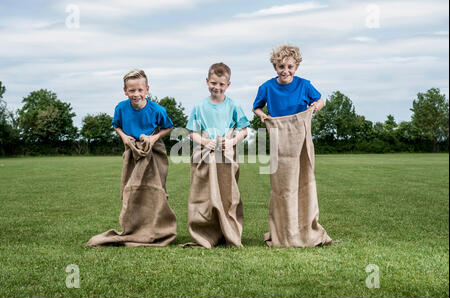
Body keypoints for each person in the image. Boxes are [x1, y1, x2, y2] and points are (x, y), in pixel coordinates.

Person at [253, 44, 333, 248]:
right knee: (282, 187)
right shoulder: (267, 87)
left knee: (304, 183)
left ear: (296, 66)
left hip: (301, 141)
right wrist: (264, 117)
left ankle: (306, 230)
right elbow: (256, 107)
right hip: (280, 141)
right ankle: (284, 231)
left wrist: (315, 107)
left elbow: (320, 99)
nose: (285, 71)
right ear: (275, 68)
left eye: (289, 66)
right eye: (281, 66)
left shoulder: (305, 85)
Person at [86, 69, 177, 247]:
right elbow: (116, 125)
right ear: (125, 91)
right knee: (130, 190)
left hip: (153, 151)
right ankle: (134, 228)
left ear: (147, 89)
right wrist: (123, 137)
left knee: (156, 190)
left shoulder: (157, 110)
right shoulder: (121, 108)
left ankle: (157, 229)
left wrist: (154, 138)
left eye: (140, 90)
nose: (136, 94)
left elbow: (168, 127)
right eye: (132, 90)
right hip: (132, 151)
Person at [182, 62, 250, 248]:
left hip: (226, 157)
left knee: (228, 196)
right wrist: (205, 142)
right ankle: (206, 234)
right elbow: (192, 132)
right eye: (213, 83)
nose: (217, 87)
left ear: (228, 85)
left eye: (221, 84)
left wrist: (231, 142)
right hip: (204, 156)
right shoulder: (199, 107)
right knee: (204, 197)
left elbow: (244, 130)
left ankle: (229, 233)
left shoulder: (234, 105)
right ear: (207, 81)